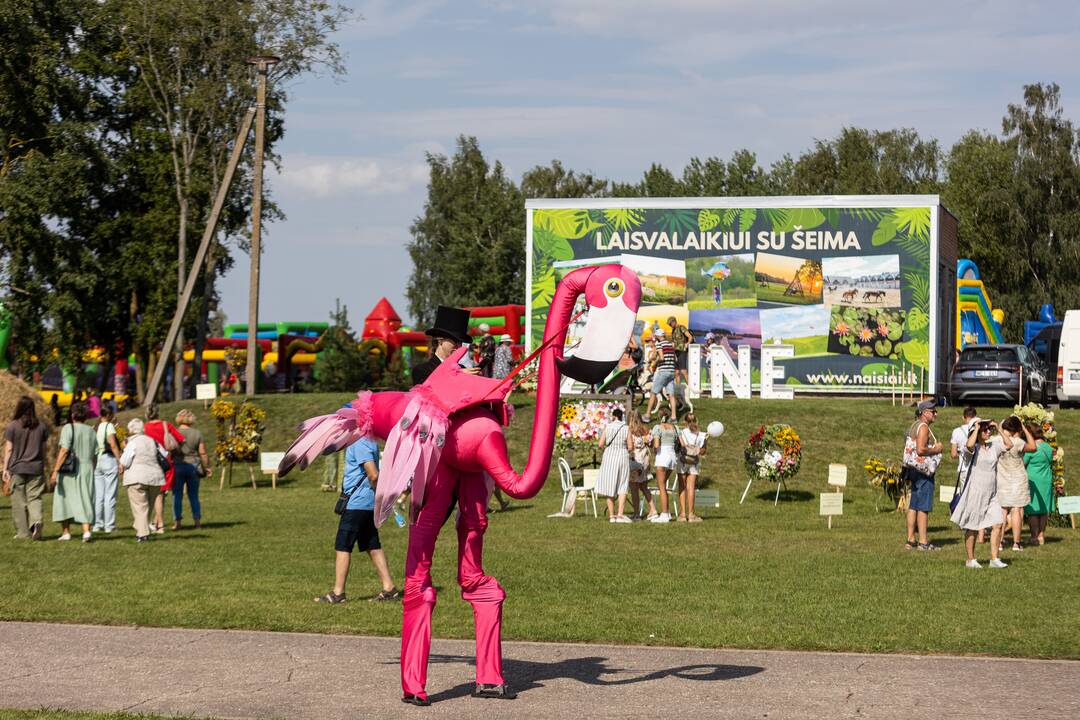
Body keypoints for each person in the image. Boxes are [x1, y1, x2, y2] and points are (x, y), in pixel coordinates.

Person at [315, 436, 400, 604]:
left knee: (343, 545)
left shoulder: (360, 442)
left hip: (357, 504)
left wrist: (382, 496)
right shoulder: (368, 440)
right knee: (372, 545)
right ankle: (389, 588)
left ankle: (338, 593)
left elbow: (373, 474)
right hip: (366, 503)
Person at [951, 418, 1010, 568]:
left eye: (988, 429)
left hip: (992, 493)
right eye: (985, 429)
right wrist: (976, 428)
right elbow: (969, 444)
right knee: (973, 526)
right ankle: (970, 559)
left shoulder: (993, 446)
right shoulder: (973, 448)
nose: (988, 431)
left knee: (998, 523)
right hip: (975, 492)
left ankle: (994, 559)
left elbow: (1009, 444)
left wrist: (998, 428)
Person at [3, 395, 50, 540]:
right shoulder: (41, 426)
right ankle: (36, 522)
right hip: (36, 467)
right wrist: (44, 466)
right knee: (35, 497)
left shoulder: (12, 426)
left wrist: (5, 468)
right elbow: (43, 450)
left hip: (17, 468)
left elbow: (9, 449)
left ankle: (23, 533)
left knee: (19, 501)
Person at [49, 402, 96, 543]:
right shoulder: (92, 431)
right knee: (85, 497)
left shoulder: (68, 428)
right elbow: (95, 454)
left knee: (64, 498)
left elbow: (64, 450)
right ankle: (86, 531)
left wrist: (55, 470)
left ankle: (66, 532)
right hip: (87, 467)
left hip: (70, 469)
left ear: (73, 415)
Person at [902, 399, 943, 551]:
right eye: (933, 411)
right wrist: (936, 449)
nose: (936, 414)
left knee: (913, 505)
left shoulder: (914, 425)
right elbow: (920, 450)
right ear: (925, 413)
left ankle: (911, 539)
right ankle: (923, 542)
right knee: (923, 507)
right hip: (923, 471)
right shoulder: (924, 427)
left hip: (912, 470)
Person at [119, 418, 165, 542]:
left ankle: (142, 534)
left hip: (137, 478)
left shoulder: (132, 442)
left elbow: (124, 461)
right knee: (147, 508)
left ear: (131, 430)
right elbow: (165, 454)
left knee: (140, 507)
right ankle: (142, 529)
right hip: (155, 477)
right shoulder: (153, 441)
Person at [995, 416, 1036, 551]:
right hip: (1018, 478)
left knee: (1002, 510)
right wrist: (1024, 428)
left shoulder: (996, 441)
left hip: (1002, 478)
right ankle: (1016, 543)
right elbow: (1033, 447)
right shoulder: (1018, 442)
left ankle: (999, 542)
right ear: (1017, 429)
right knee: (1017, 510)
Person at [143, 403, 184, 534]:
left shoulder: (144, 428)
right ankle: (156, 523)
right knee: (161, 495)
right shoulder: (166, 425)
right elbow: (181, 439)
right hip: (167, 463)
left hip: (150, 463)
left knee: (156, 495)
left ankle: (159, 525)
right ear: (158, 412)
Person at [412, 306, 478, 385]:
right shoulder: (422, 370)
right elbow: (429, 391)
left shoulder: (463, 369)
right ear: (440, 340)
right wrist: (457, 375)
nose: (459, 346)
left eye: (460, 342)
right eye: (455, 341)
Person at [172, 409, 211, 530]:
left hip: (178, 465)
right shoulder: (197, 433)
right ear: (191, 419)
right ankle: (197, 522)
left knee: (177, 495)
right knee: (194, 495)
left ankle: (177, 522)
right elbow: (203, 453)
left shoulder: (173, 433)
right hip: (193, 466)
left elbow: (170, 450)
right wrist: (207, 467)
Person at [595, 407, 631, 523]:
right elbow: (630, 446)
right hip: (622, 455)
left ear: (614, 416)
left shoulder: (608, 427)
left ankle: (611, 515)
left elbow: (600, 444)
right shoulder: (626, 428)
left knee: (609, 485)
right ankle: (620, 514)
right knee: (622, 484)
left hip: (609, 456)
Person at [92, 406, 122, 534]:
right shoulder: (109, 426)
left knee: (99, 495)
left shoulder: (96, 427)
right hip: (108, 459)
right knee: (110, 494)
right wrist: (119, 460)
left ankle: (97, 524)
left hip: (98, 460)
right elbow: (113, 444)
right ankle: (109, 525)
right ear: (109, 414)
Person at [1023, 424, 1055, 546]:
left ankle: (1034, 536)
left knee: (1033, 510)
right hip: (1046, 480)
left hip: (1033, 481)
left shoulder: (1032, 448)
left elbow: (1023, 463)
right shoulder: (1048, 447)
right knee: (1043, 510)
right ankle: (1041, 535)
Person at [676, 412, 707, 522]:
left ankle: (683, 514)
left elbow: (677, 446)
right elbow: (703, 452)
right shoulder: (702, 435)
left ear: (685, 421)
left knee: (682, 487)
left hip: (682, 461)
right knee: (691, 488)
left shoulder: (681, 432)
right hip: (694, 462)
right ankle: (691, 514)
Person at [649, 411, 679, 523]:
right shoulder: (675, 427)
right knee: (663, 485)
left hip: (663, 455)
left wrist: (651, 444)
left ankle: (665, 513)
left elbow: (656, 445)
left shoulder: (658, 427)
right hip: (672, 456)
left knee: (661, 486)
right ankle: (667, 512)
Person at [627, 411, 657, 520]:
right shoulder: (646, 429)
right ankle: (653, 510)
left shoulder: (629, 430)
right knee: (644, 487)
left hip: (634, 460)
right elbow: (651, 443)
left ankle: (636, 514)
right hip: (645, 460)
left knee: (634, 488)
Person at [643, 329, 676, 422]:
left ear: (657, 336)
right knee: (671, 395)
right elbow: (675, 358)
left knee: (653, 393)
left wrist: (655, 362)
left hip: (663, 372)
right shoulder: (670, 344)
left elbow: (661, 357)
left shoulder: (659, 344)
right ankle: (674, 417)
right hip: (671, 371)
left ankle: (647, 416)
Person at [668, 315, 693, 386]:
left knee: (683, 371)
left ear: (674, 321)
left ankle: (690, 390)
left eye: (670, 323)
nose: (670, 325)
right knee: (676, 372)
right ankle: (678, 390)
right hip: (675, 352)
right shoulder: (673, 330)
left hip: (682, 351)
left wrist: (687, 343)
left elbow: (690, 337)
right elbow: (673, 341)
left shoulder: (681, 327)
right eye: (669, 324)